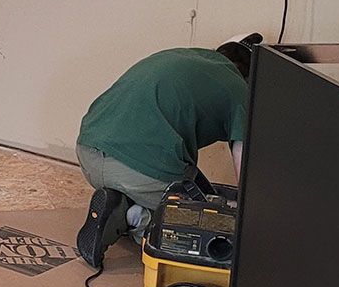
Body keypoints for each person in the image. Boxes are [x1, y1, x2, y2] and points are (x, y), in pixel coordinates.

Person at [74, 36, 260, 269]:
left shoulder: (179, 56)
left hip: (88, 151)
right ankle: (136, 219)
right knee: (197, 225)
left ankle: (122, 204)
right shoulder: (239, 89)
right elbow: (246, 175)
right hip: (137, 171)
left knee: (188, 178)